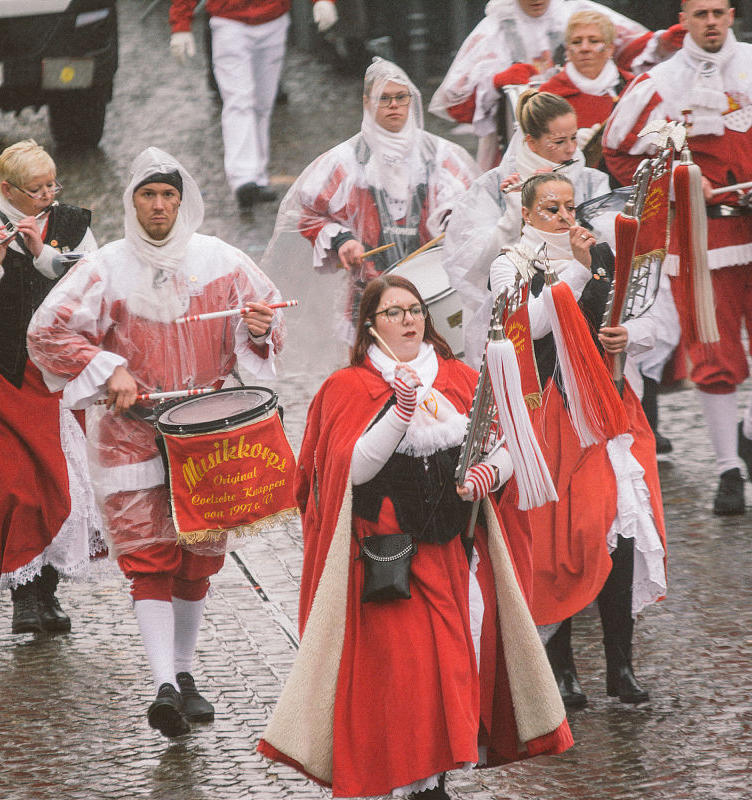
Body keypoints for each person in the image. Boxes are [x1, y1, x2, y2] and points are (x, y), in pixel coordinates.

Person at [258, 274, 571, 800]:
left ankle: (435, 781)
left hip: (452, 552)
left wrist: (487, 474)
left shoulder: (459, 376)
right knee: (403, 673)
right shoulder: (349, 386)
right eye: (393, 312)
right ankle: (410, 782)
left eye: (415, 310)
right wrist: (400, 414)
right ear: (369, 326)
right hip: (385, 553)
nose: (407, 320)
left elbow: (507, 443)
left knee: (450, 666)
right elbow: (347, 471)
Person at [27, 147, 285, 738]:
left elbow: (268, 328)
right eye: (148, 194)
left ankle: (186, 675)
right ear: (133, 201)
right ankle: (162, 683)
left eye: (169, 194)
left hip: (206, 434)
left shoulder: (223, 262)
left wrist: (258, 330)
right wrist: (104, 365)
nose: (160, 205)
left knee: (198, 557)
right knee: (148, 558)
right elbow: (46, 331)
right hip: (130, 435)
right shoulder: (105, 268)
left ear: (183, 198)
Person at [602, 0, 752, 515]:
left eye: (719, 11)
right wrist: (682, 183)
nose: (711, 21)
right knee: (714, 358)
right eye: (700, 12)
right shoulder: (657, 83)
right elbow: (618, 152)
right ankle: (729, 469)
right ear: (683, 18)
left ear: (732, 14)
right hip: (701, 238)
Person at [491, 173, 667, 707]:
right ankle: (562, 665)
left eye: (571, 206)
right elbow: (535, 324)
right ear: (527, 213)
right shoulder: (511, 264)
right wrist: (578, 268)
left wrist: (629, 336)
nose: (567, 217)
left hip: (609, 408)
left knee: (620, 527)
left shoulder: (602, 252)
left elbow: (653, 319)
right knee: (563, 536)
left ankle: (622, 665)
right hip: (549, 412)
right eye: (551, 207)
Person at [0, 139, 102, 631]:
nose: (49, 195)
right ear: (7, 190)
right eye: (36, 189)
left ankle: (48, 593)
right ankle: (24, 599)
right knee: (12, 490)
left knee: (57, 487)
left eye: (53, 184)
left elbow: (94, 292)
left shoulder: (73, 224)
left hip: (52, 377)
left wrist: (41, 255)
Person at [269, 57, 478, 346]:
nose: (394, 105)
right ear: (367, 103)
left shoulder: (442, 156)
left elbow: (472, 209)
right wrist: (343, 241)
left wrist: (451, 223)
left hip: (434, 291)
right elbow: (307, 215)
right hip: (368, 297)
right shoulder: (343, 161)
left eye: (400, 97)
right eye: (384, 98)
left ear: (411, 99)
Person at [445, 90, 610, 368]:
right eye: (559, 141)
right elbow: (474, 266)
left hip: (585, 307)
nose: (572, 149)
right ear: (531, 143)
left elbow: (608, 251)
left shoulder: (591, 182)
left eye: (574, 137)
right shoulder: (495, 185)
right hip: (521, 317)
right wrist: (515, 209)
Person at [429, 0, 645, 170]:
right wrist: (496, 81)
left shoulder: (572, 11)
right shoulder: (498, 26)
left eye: (592, 42)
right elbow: (455, 102)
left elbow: (636, 48)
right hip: (521, 128)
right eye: (577, 42)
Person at [167, 0, 339, 212]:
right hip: (229, 22)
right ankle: (243, 179)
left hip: (273, 20)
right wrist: (180, 24)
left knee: (262, 104)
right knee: (239, 102)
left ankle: (256, 176)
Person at [537, 9, 632, 167]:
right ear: (567, 50)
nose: (585, 48)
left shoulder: (632, 88)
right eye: (576, 42)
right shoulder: (548, 95)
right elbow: (535, 150)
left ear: (610, 49)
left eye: (594, 41)